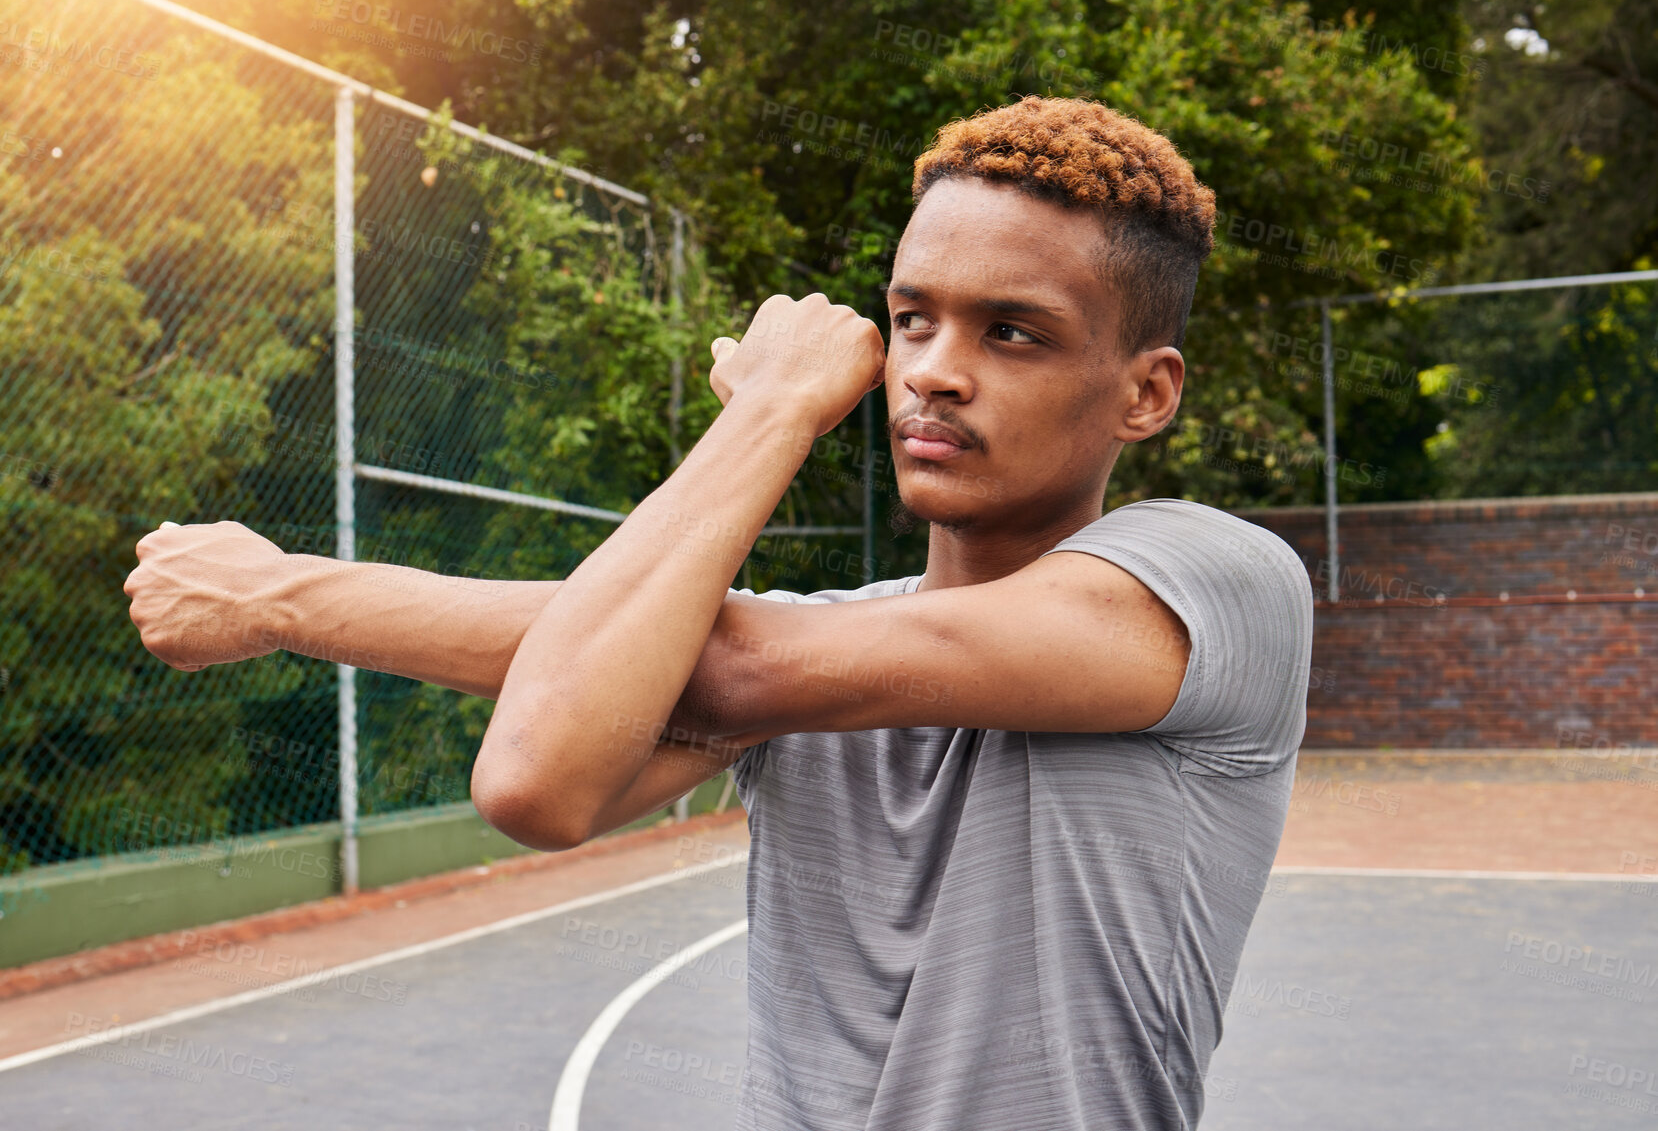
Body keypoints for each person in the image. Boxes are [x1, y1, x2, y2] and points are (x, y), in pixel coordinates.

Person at [125, 94, 1312, 1130]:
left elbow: (706, 669)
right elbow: (550, 779)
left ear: (1146, 392)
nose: (933, 369)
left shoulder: (1214, 584)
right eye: (911, 318)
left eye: (1012, 331)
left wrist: (767, 413)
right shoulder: (811, 635)